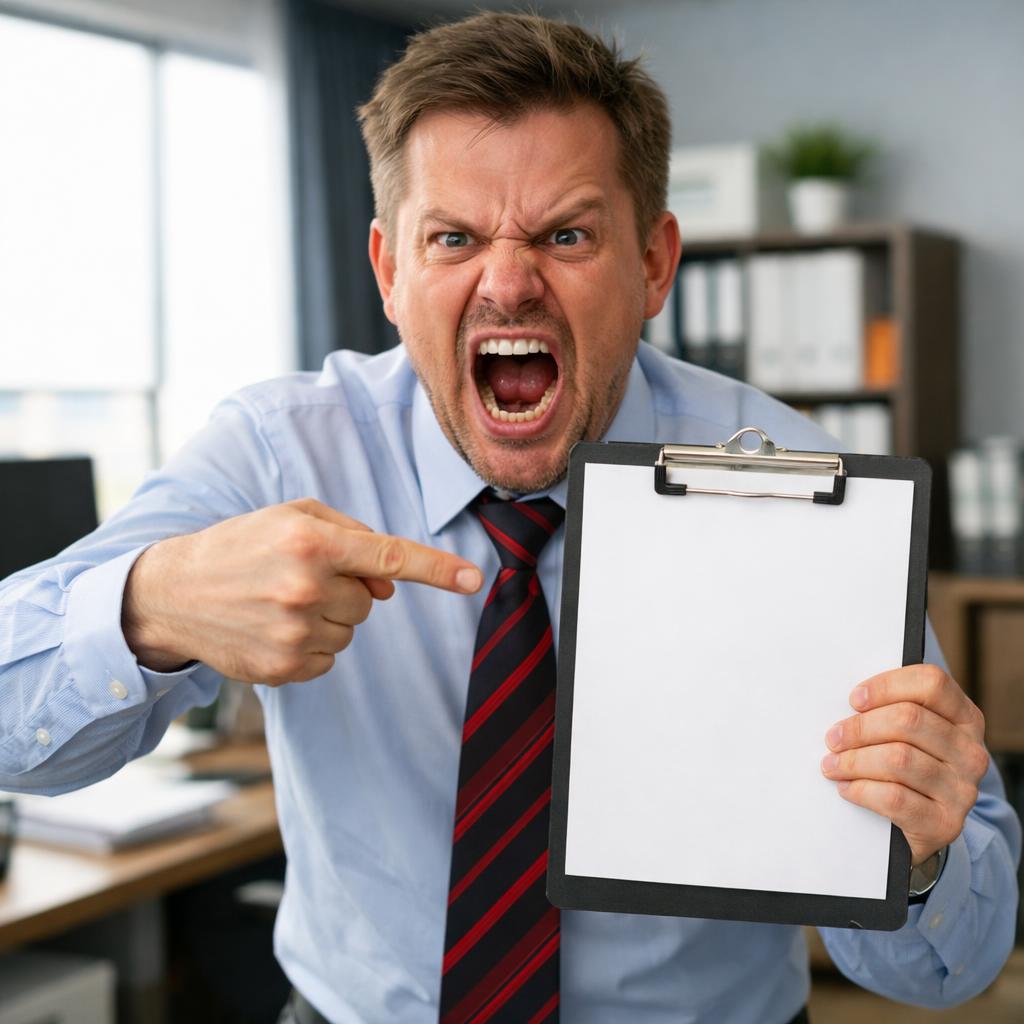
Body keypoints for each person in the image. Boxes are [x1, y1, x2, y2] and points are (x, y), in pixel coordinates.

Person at [0, 12, 1018, 1024]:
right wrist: (153, 605)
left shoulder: (802, 482)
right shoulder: (278, 450)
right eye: (452, 237)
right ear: (390, 271)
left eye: (566, 234)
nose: (508, 281)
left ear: (656, 264)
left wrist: (918, 852)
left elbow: (944, 972)